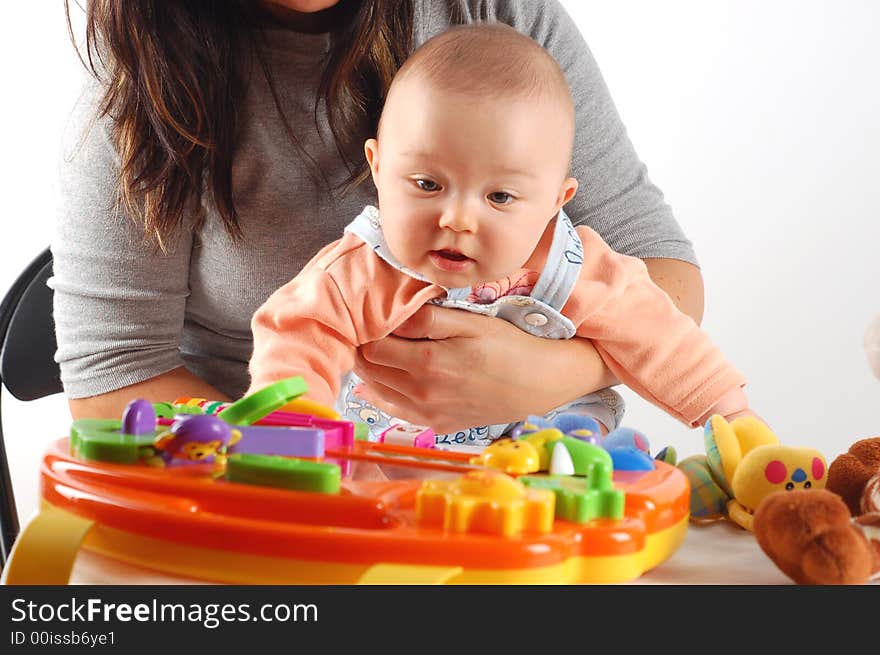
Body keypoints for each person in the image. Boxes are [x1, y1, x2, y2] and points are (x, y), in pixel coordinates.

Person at [53, 0, 706, 437]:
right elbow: (113, 371)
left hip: (513, 478)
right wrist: (305, 458)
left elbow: (662, 273)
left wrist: (549, 376)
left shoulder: (495, 15)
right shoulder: (139, 71)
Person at [247, 23, 756, 447]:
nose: (458, 220)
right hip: (393, 464)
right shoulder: (360, 271)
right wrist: (294, 430)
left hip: (541, 470)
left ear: (557, 202)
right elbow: (296, 335)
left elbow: (663, 339)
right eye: (427, 184)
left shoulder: (574, 268)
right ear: (377, 168)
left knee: (589, 455)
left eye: (500, 198)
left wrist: (735, 421)